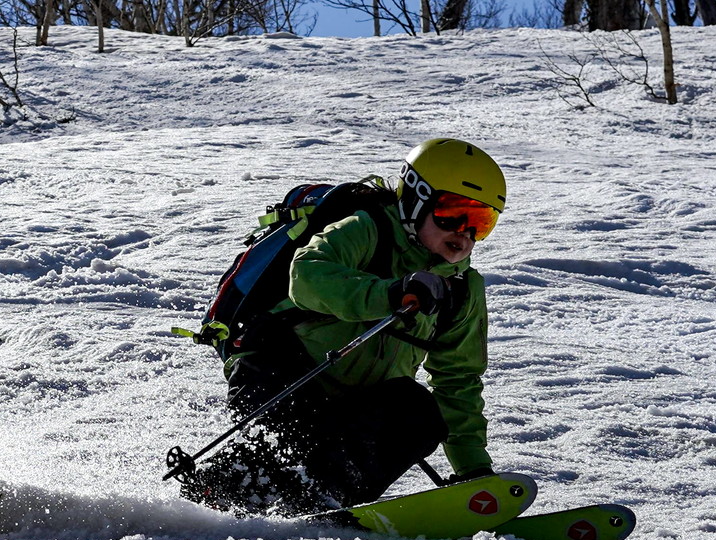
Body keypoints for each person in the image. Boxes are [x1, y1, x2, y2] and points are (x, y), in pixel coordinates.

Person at [180, 138, 506, 514]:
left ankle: (321, 499)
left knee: (419, 413)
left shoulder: (462, 290)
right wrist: (390, 293)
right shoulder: (365, 230)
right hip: (280, 373)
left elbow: (458, 381)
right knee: (271, 459)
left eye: (481, 221)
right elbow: (306, 276)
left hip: (355, 410)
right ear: (417, 199)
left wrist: (474, 471)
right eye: (453, 212)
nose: (464, 233)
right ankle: (205, 503)